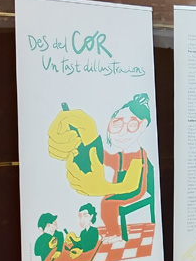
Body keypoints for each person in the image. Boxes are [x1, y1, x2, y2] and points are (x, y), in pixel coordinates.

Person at [48, 93, 155, 245]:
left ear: (143, 126)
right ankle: (113, 231)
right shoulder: (124, 153)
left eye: (132, 125)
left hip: (136, 190)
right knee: (107, 201)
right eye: (117, 124)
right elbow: (111, 160)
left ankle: (116, 233)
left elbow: (131, 185)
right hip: (121, 188)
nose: (121, 132)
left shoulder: (138, 155)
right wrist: (87, 143)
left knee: (108, 203)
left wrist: (101, 187)